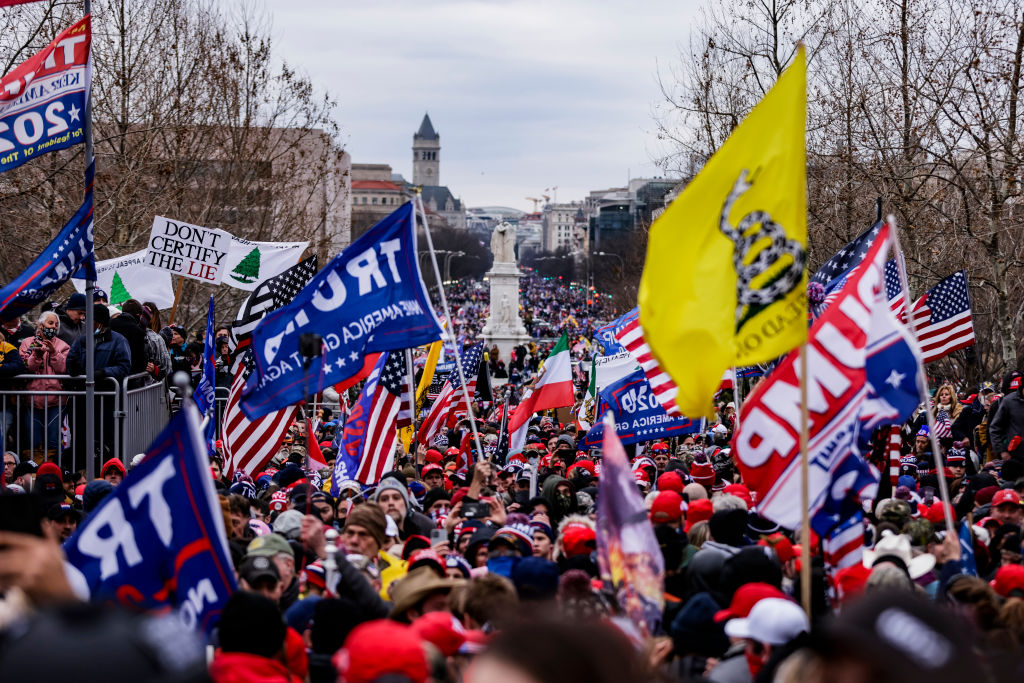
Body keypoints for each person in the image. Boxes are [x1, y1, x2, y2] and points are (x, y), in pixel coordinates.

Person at [67, 304, 131, 464]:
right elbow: (71, 360)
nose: (86, 323)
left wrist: (104, 373)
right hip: (82, 400)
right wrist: (73, 368)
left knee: (106, 438)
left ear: (100, 322)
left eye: (90, 320)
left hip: (107, 400)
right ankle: (81, 472)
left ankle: (106, 470)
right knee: (81, 437)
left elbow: (124, 367)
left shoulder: (118, 341)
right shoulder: (81, 341)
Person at [18, 311, 70, 463]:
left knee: (53, 441)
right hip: (32, 401)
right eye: (50, 323)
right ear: (40, 325)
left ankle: (56, 471)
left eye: (56, 324)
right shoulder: (27, 343)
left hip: (55, 401)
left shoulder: (63, 345)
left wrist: (53, 353)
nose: (54, 327)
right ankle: (34, 475)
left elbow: (64, 368)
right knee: (34, 441)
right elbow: (27, 367)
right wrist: (37, 355)